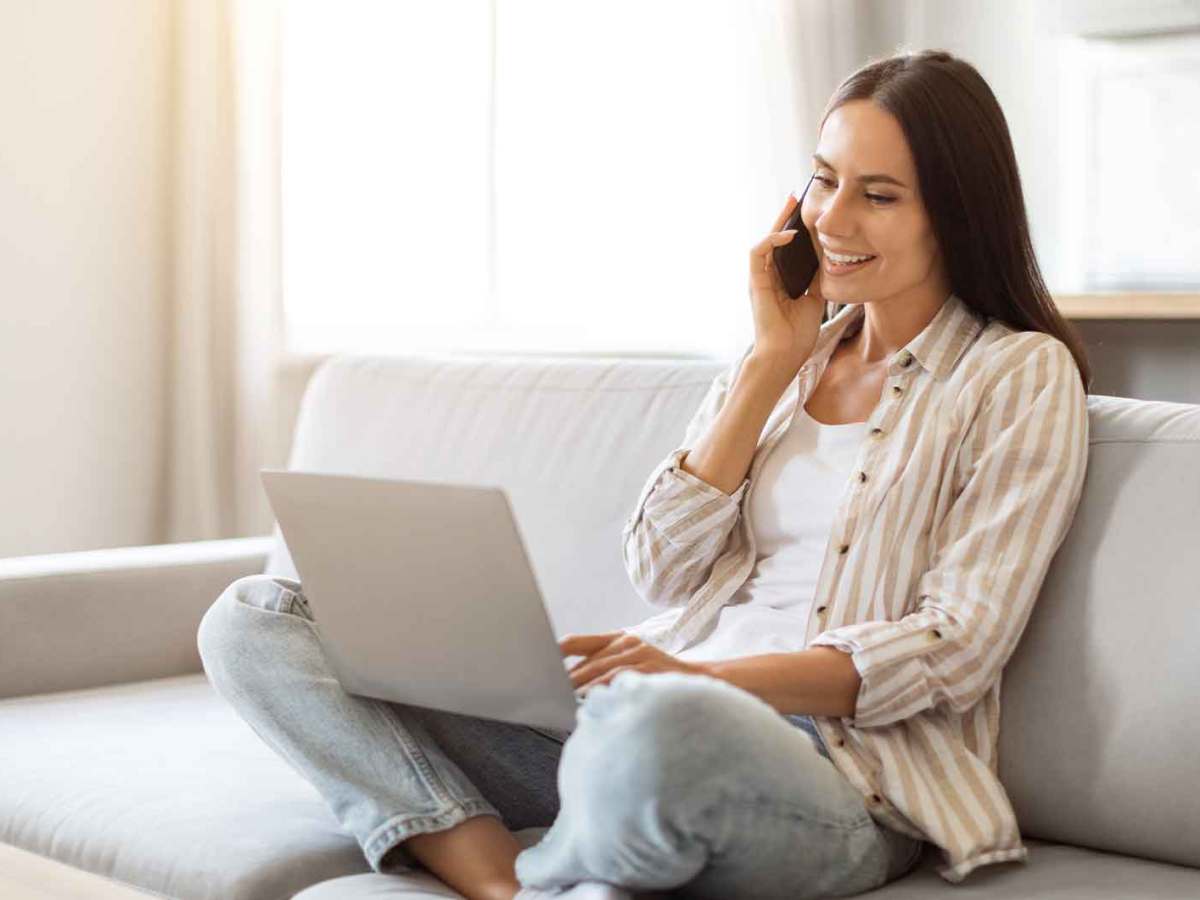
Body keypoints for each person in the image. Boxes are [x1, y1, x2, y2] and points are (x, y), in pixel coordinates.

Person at [197, 49, 1091, 900]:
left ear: (958, 212)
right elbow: (659, 567)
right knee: (254, 619)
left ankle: (574, 850)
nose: (831, 218)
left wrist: (703, 685)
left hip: (827, 771)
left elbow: (958, 643)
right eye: (822, 178)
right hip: (633, 728)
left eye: (879, 195)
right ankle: (488, 867)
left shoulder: (1017, 374)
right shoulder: (784, 360)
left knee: (662, 731)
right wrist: (768, 365)